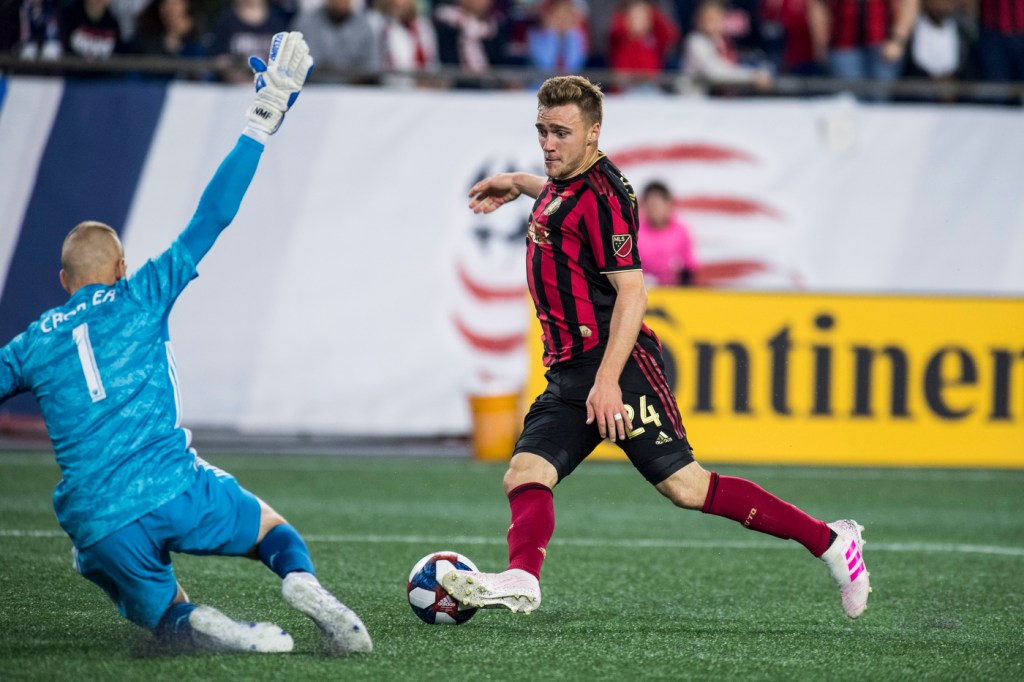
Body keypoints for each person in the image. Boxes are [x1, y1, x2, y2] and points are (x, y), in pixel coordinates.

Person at [440, 75, 871, 622]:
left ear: (593, 133)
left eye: (561, 133)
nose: (549, 143)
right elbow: (554, 193)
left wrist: (607, 382)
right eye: (542, 130)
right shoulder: (563, 179)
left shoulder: (604, 197)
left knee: (688, 487)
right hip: (571, 370)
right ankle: (522, 577)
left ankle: (832, 542)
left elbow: (634, 293)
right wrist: (518, 182)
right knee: (525, 472)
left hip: (617, 368)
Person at [0, 32, 372, 656]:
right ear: (120, 267)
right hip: (171, 484)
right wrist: (261, 121)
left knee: (158, 611)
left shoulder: (30, 344)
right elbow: (212, 217)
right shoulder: (140, 293)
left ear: (63, 282)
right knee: (272, 532)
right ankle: (303, 583)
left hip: (96, 519)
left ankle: (196, 620)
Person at [808, 0, 920, 85]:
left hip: (883, 45)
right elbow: (817, 4)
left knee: (880, 99)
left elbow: (909, 3)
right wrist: (820, 43)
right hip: (842, 45)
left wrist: (898, 40)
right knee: (848, 99)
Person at [682, 0, 772, 90]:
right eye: (706, 18)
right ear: (698, 20)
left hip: (720, 95)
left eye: (714, 18)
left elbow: (731, 66)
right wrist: (751, 76)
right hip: (695, 96)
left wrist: (757, 73)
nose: (709, 23)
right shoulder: (695, 41)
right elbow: (715, 72)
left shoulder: (722, 41)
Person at [291, 0, 381, 83]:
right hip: (312, 88)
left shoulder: (364, 27)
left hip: (354, 90)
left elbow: (371, 67)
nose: (339, 2)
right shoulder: (305, 23)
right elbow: (297, 66)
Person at [638, 180, 699, 286]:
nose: (654, 211)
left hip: (674, 291)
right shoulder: (636, 231)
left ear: (668, 204)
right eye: (650, 206)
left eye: (657, 205)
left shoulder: (681, 230)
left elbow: (689, 268)